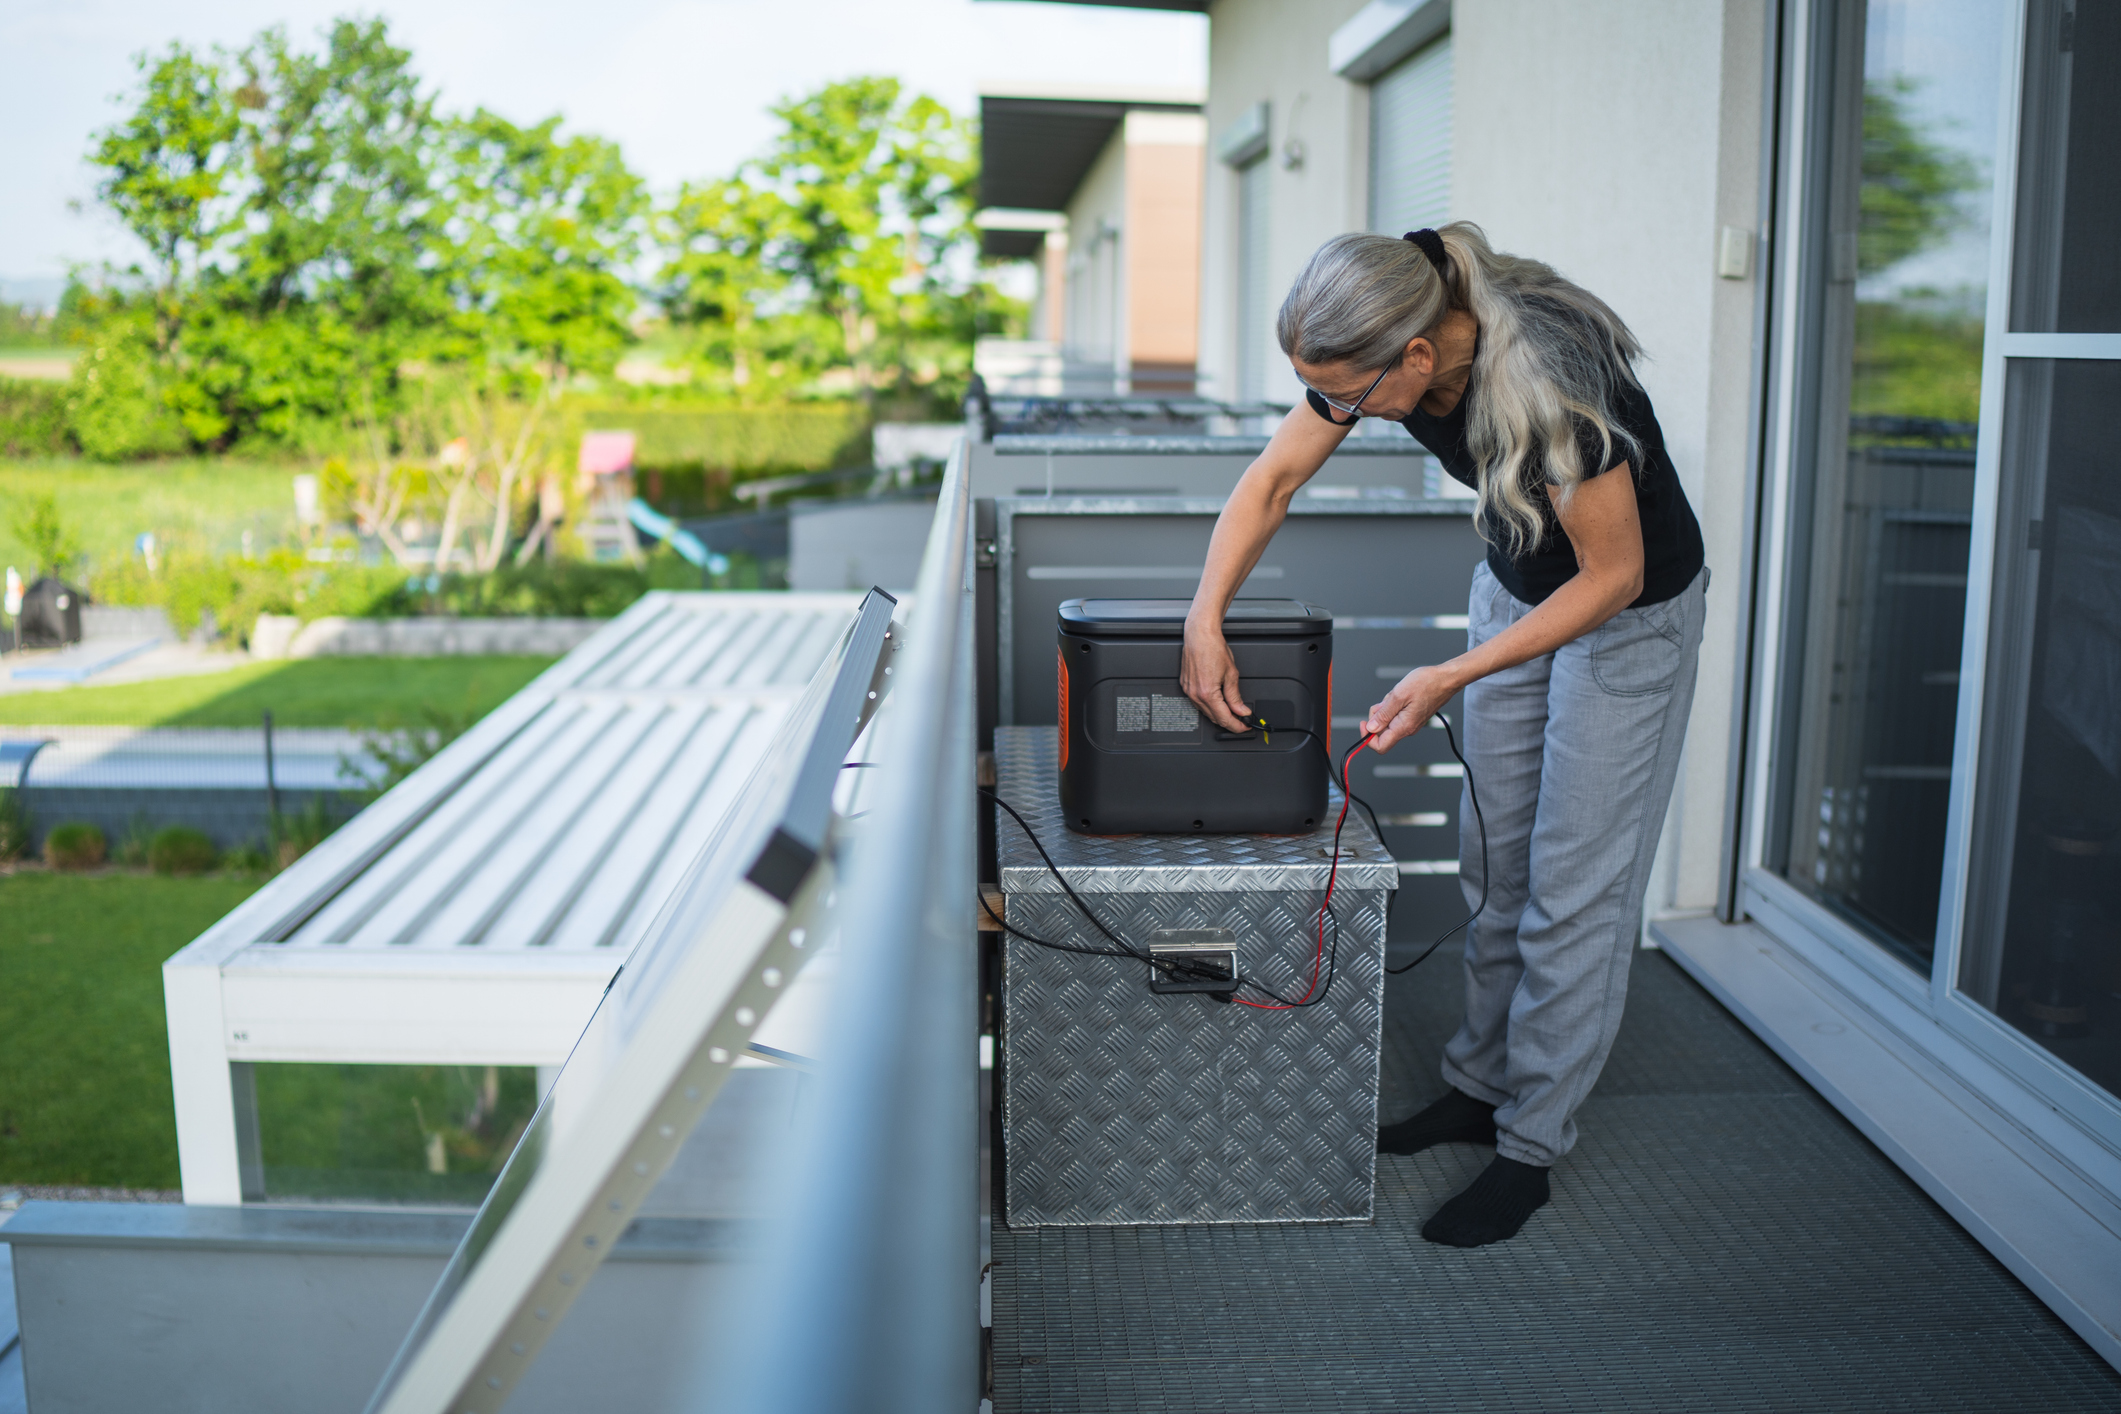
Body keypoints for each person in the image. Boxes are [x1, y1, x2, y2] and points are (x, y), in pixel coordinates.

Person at [1180, 223, 1707, 1248]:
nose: (1333, 414)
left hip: (1625, 624)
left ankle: (1529, 1145)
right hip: (1515, 592)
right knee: (1494, 864)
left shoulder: (1554, 376)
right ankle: (1476, 1085)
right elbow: (1273, 482)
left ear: (1418, 359)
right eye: (1315, 392)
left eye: (1345, 394)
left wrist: (1446, 676)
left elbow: (1615, 576)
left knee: (1572, 889)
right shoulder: (1403, 315)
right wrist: (1205, 618)